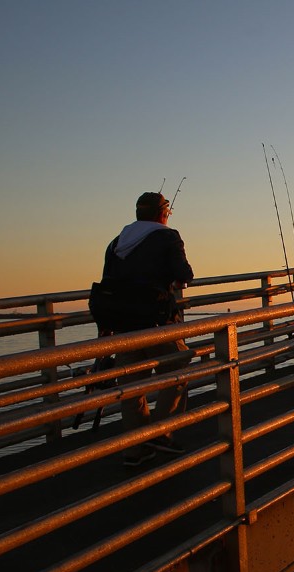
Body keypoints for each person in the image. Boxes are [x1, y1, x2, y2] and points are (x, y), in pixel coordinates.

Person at [99, 191, 195, 466]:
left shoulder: (117, 242)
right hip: (156, 321)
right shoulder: (167, 236)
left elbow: (109, 281)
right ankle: (159, 432)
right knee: (180, 370)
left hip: (123, 324)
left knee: (131, 387)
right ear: (161, 213)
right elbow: (184, 274)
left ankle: (135, 449)